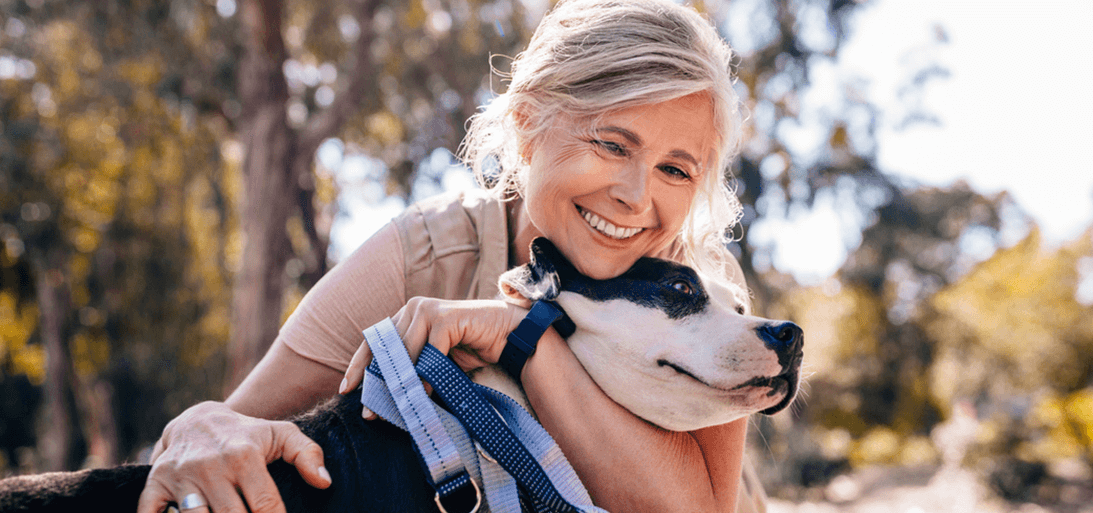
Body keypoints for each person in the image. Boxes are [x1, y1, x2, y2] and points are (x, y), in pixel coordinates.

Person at [137, 0, 766, 511]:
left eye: (676, 170)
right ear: (526, 123)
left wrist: (523, 337)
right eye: (611, 144)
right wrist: (201, 428)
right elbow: (230, 426)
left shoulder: (705, 291)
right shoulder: (426, 254)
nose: (635, 197)